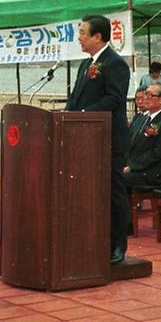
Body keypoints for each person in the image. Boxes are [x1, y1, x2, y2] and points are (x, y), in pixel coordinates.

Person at [65, 14, 131, 265]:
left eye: (82, 33)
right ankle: (93, 240)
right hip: (85, 139)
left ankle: (118, 245)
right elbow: (76, 97)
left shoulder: (115, 63)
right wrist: (67, 115)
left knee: (113, 191)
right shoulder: (86, 64)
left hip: (108, 139)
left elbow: (115, 98)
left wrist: (83, 115)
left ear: (98, 36)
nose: (78, 38)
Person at [124, 83, 161, 187]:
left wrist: (132, 167)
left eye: (150, 95)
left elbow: (157, 153)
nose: (145, 98)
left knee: (117, 179)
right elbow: (129, 142)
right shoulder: (141, 118)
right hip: (134, 166)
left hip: (152, 171)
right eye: (145, 94)